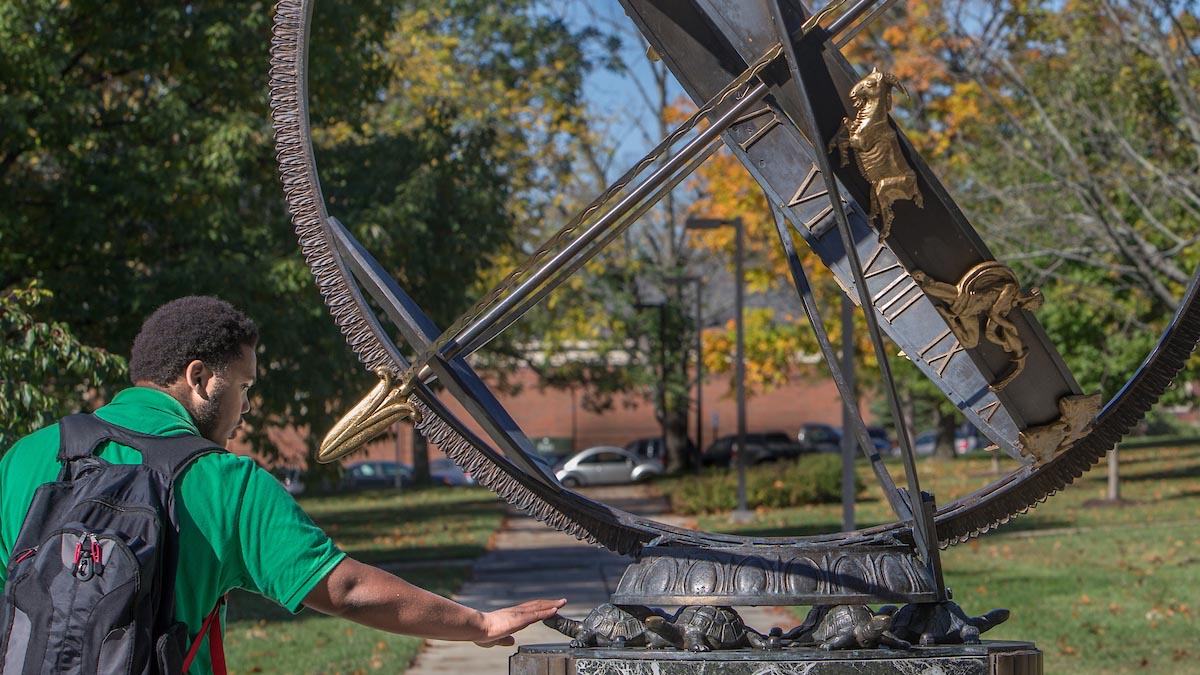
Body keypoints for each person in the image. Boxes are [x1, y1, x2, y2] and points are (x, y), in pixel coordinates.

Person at [0, 296, 565, 674]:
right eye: (244, 386)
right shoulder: (225, 481)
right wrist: (479, 622)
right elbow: (345, 590)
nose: (245, 409)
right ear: (199, 378)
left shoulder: (27, 456)